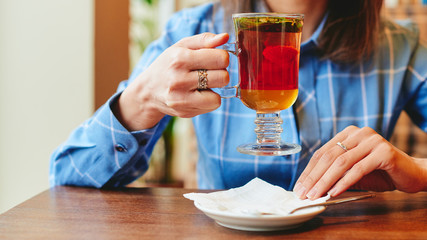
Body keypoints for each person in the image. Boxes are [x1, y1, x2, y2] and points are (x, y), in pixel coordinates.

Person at [50, 0, 427, 199]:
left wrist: (415, 171)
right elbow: (66, 178)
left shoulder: (399, 47)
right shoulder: (191, 32)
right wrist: (141, 101)